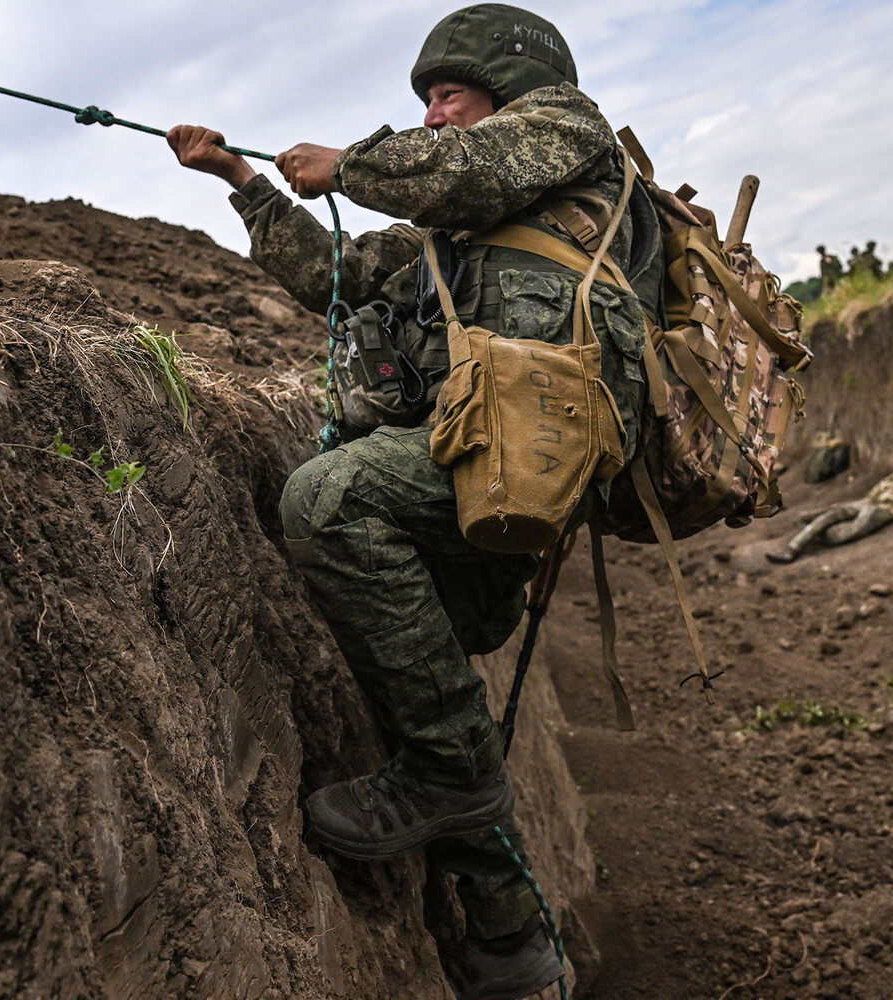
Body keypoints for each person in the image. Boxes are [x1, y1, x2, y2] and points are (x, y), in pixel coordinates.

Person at [167, 6, 659, 998]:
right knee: (424, 691)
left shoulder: (565, 130)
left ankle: (447, 782)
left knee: (328, 502)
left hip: (542, 448)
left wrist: (347, 163)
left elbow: (466, 167)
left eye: (449, 94)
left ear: (510, 88)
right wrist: (241, 180)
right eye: (426, 101)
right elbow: (340, 274)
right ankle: (510, 936)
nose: (433, 115)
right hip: (480, 458)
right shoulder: (454, 237)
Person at [766, 464, 893, 564]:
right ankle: (796, 545)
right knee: (837, 518)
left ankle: (811, 535)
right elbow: (886, 483)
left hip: (882, 508)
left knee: (845, 529)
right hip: (875, 503)